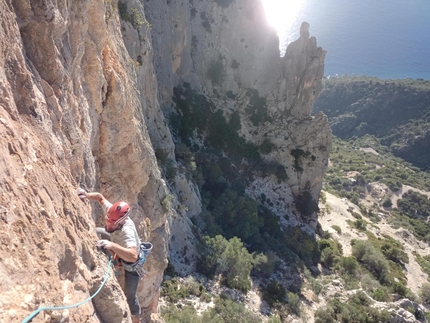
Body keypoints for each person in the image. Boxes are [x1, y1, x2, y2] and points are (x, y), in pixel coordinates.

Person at [77, 189, 142, 323]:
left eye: (111, 222)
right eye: (108, 219)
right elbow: (100, 198)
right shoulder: (113, 212)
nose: (108, 223)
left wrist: (112, 246)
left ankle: (136, 319)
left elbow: (133, 256)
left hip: (132, 266)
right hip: (118, 244)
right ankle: (116, 257)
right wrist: (86, 195)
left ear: (121, 222)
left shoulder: (127, 231)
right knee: (98, 231)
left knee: (130, 297)